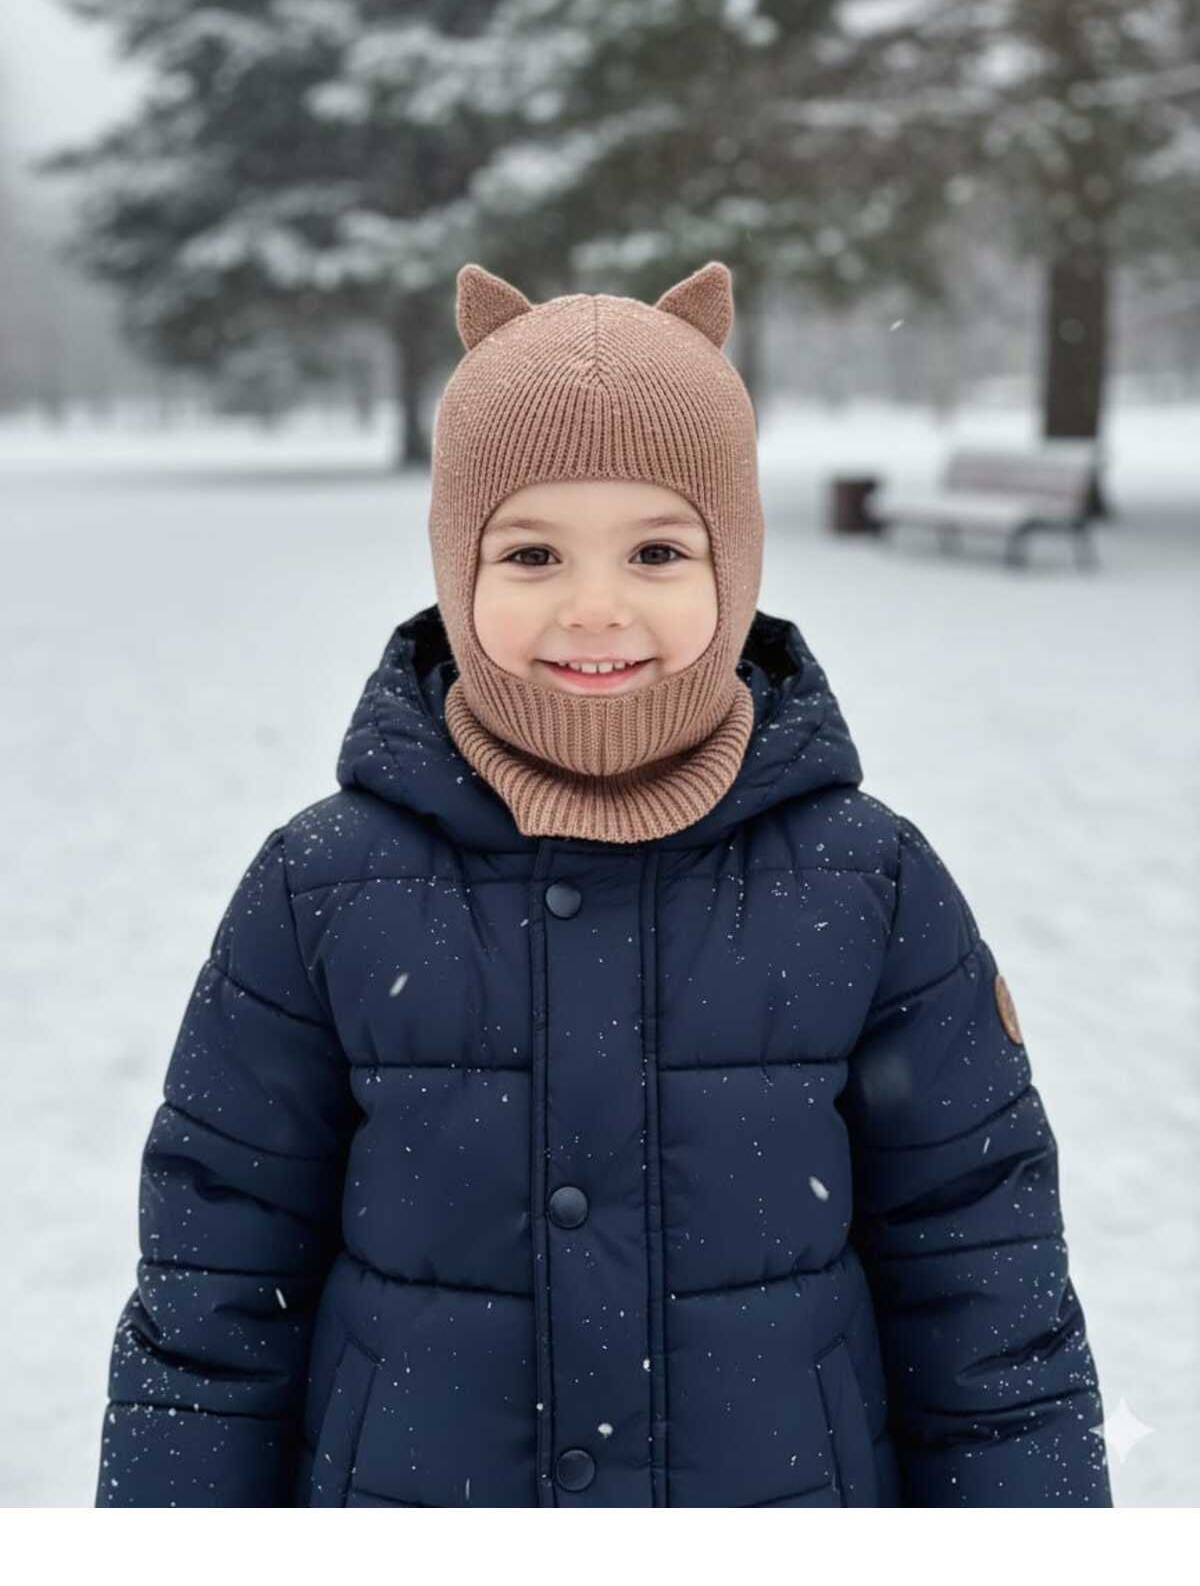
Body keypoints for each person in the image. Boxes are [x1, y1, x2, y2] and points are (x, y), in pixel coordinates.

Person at [95, 260, 1114, 1508]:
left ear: (732, 571)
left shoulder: (869, 886)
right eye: (530, 551)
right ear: (455, 568)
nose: (594, 607)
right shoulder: (325, 889)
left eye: (655, 550)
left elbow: (987, 1291)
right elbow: (210, 1305)